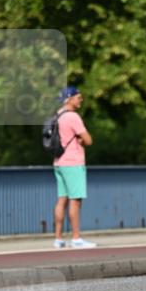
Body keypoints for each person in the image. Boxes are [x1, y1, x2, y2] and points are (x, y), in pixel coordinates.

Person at [52, 86, 96, 248]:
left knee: (61, 199)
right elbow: (89, 140)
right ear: (69, 99)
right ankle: (76, 238)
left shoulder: (58, 115)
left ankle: (58, 238)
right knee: (75, 200)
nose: (81, 99)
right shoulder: (73, 117)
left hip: (58, 162)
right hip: (73, 162)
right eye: (78, 97)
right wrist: (82, 141)